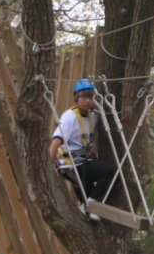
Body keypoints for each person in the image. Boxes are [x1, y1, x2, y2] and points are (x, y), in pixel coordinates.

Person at [49, 79, 118, 221]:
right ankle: (90, 206)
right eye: (84, 97)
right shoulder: (69, 117)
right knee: (112, 172)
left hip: (82, 162)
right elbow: (56, 142)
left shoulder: (93, 116)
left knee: (90, 206)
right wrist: (49, 164)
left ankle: (87, 209)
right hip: (72, 165)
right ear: (76, 98)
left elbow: (103, 119)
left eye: (91, 97)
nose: (88, 100)